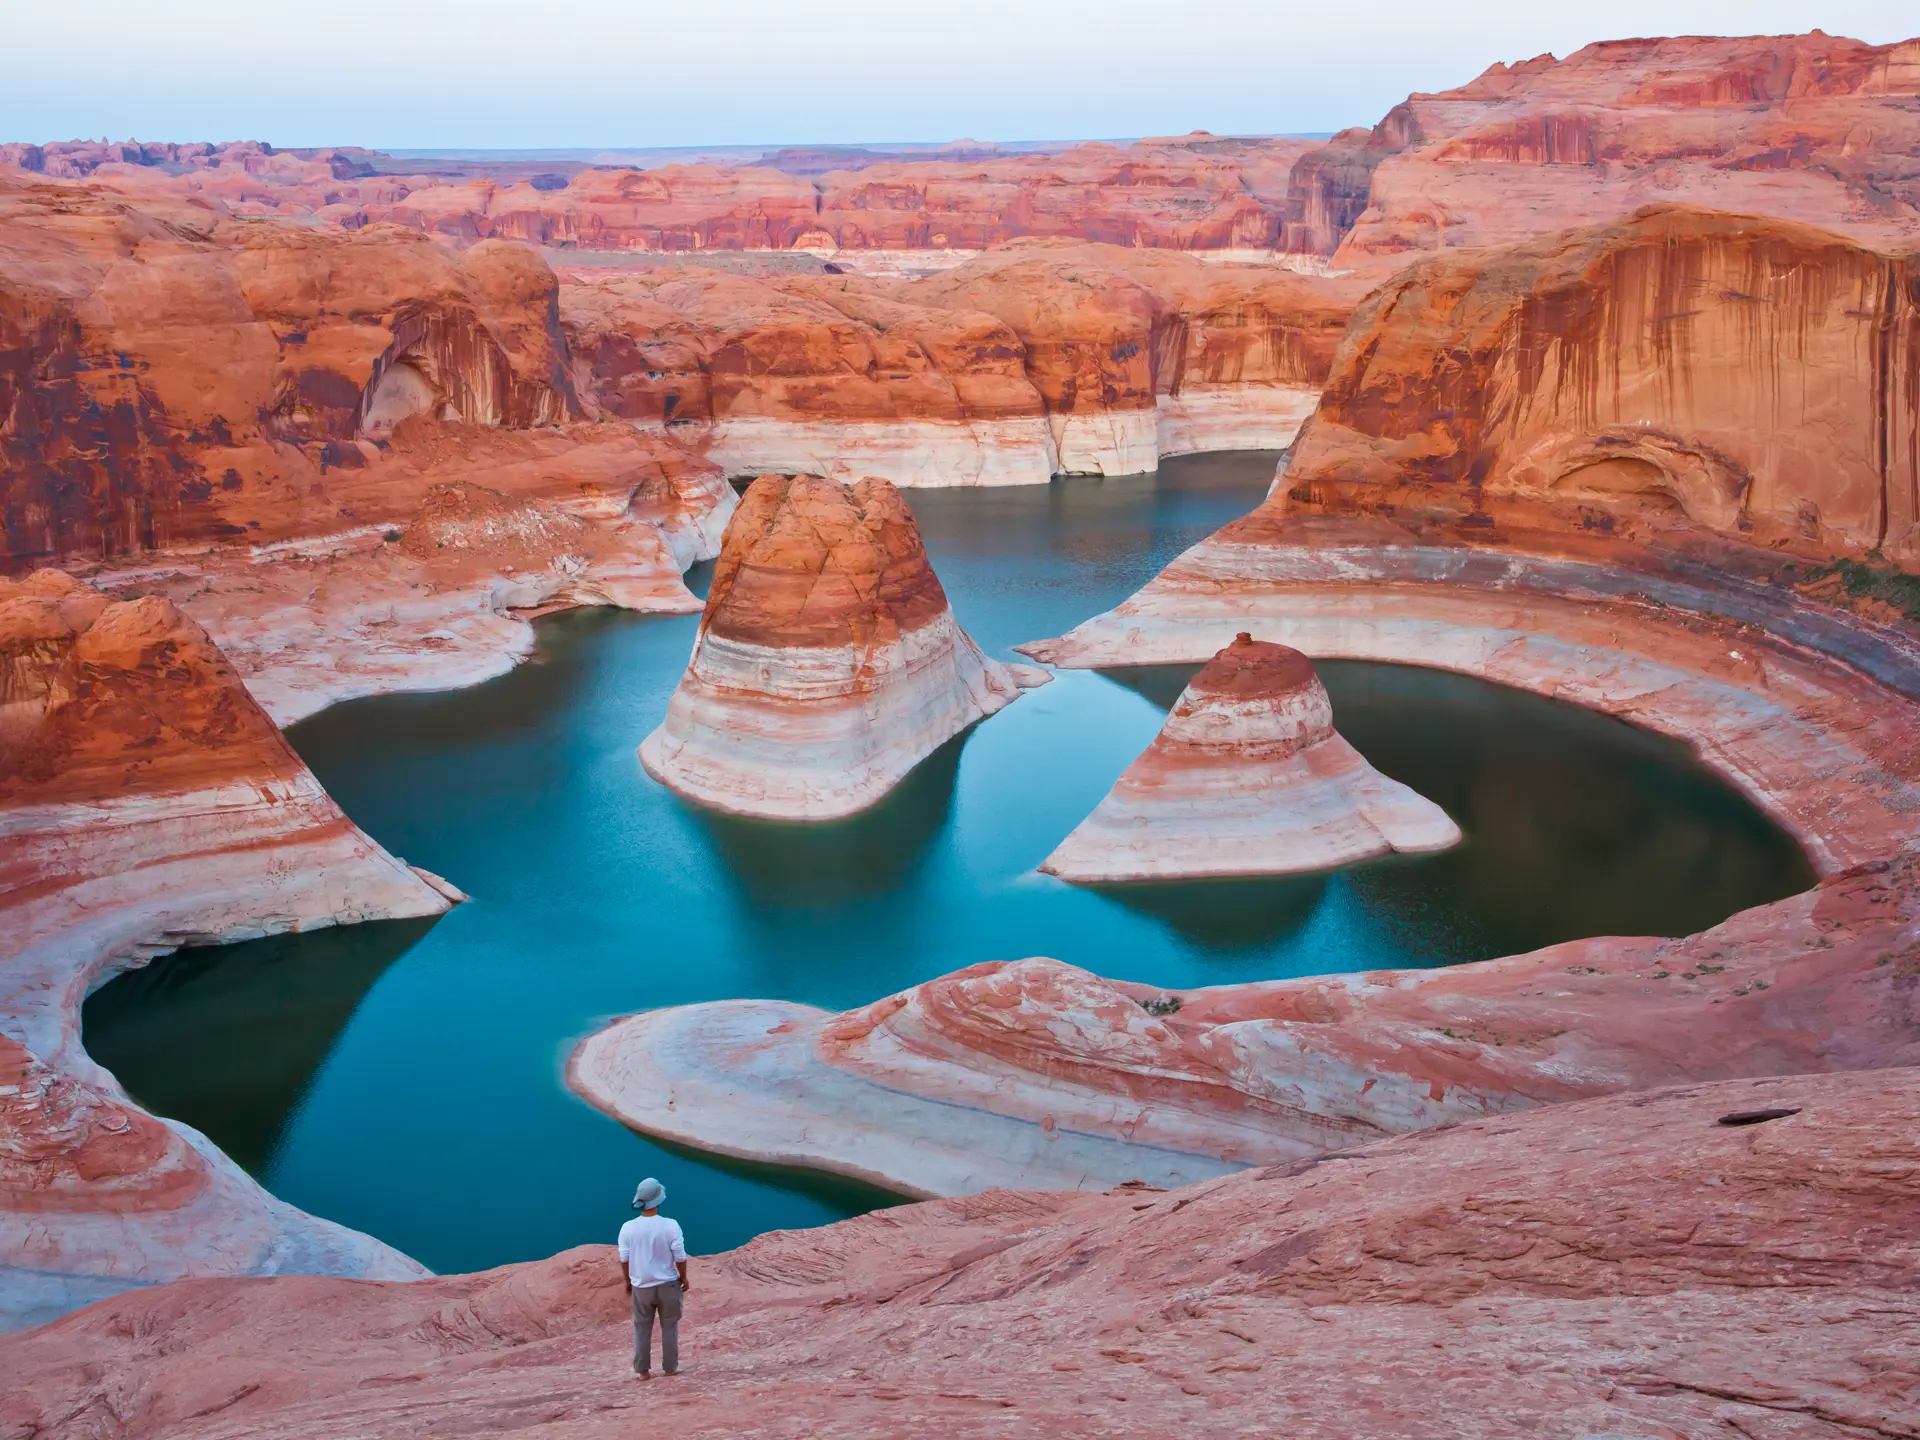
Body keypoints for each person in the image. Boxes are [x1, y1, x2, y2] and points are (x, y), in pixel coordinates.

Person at [616, 1177, 689, 1378]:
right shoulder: (671, 1225)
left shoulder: (627, 1227)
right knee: (670, 1327)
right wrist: (683, 1277)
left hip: (641, 1287)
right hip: (668, 1285)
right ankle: (670, 1367)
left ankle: (643, 1371)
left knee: (641, 1328)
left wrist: (628, 1281)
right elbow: (680, 1256)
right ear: (659, 1199)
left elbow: (624, 1258)